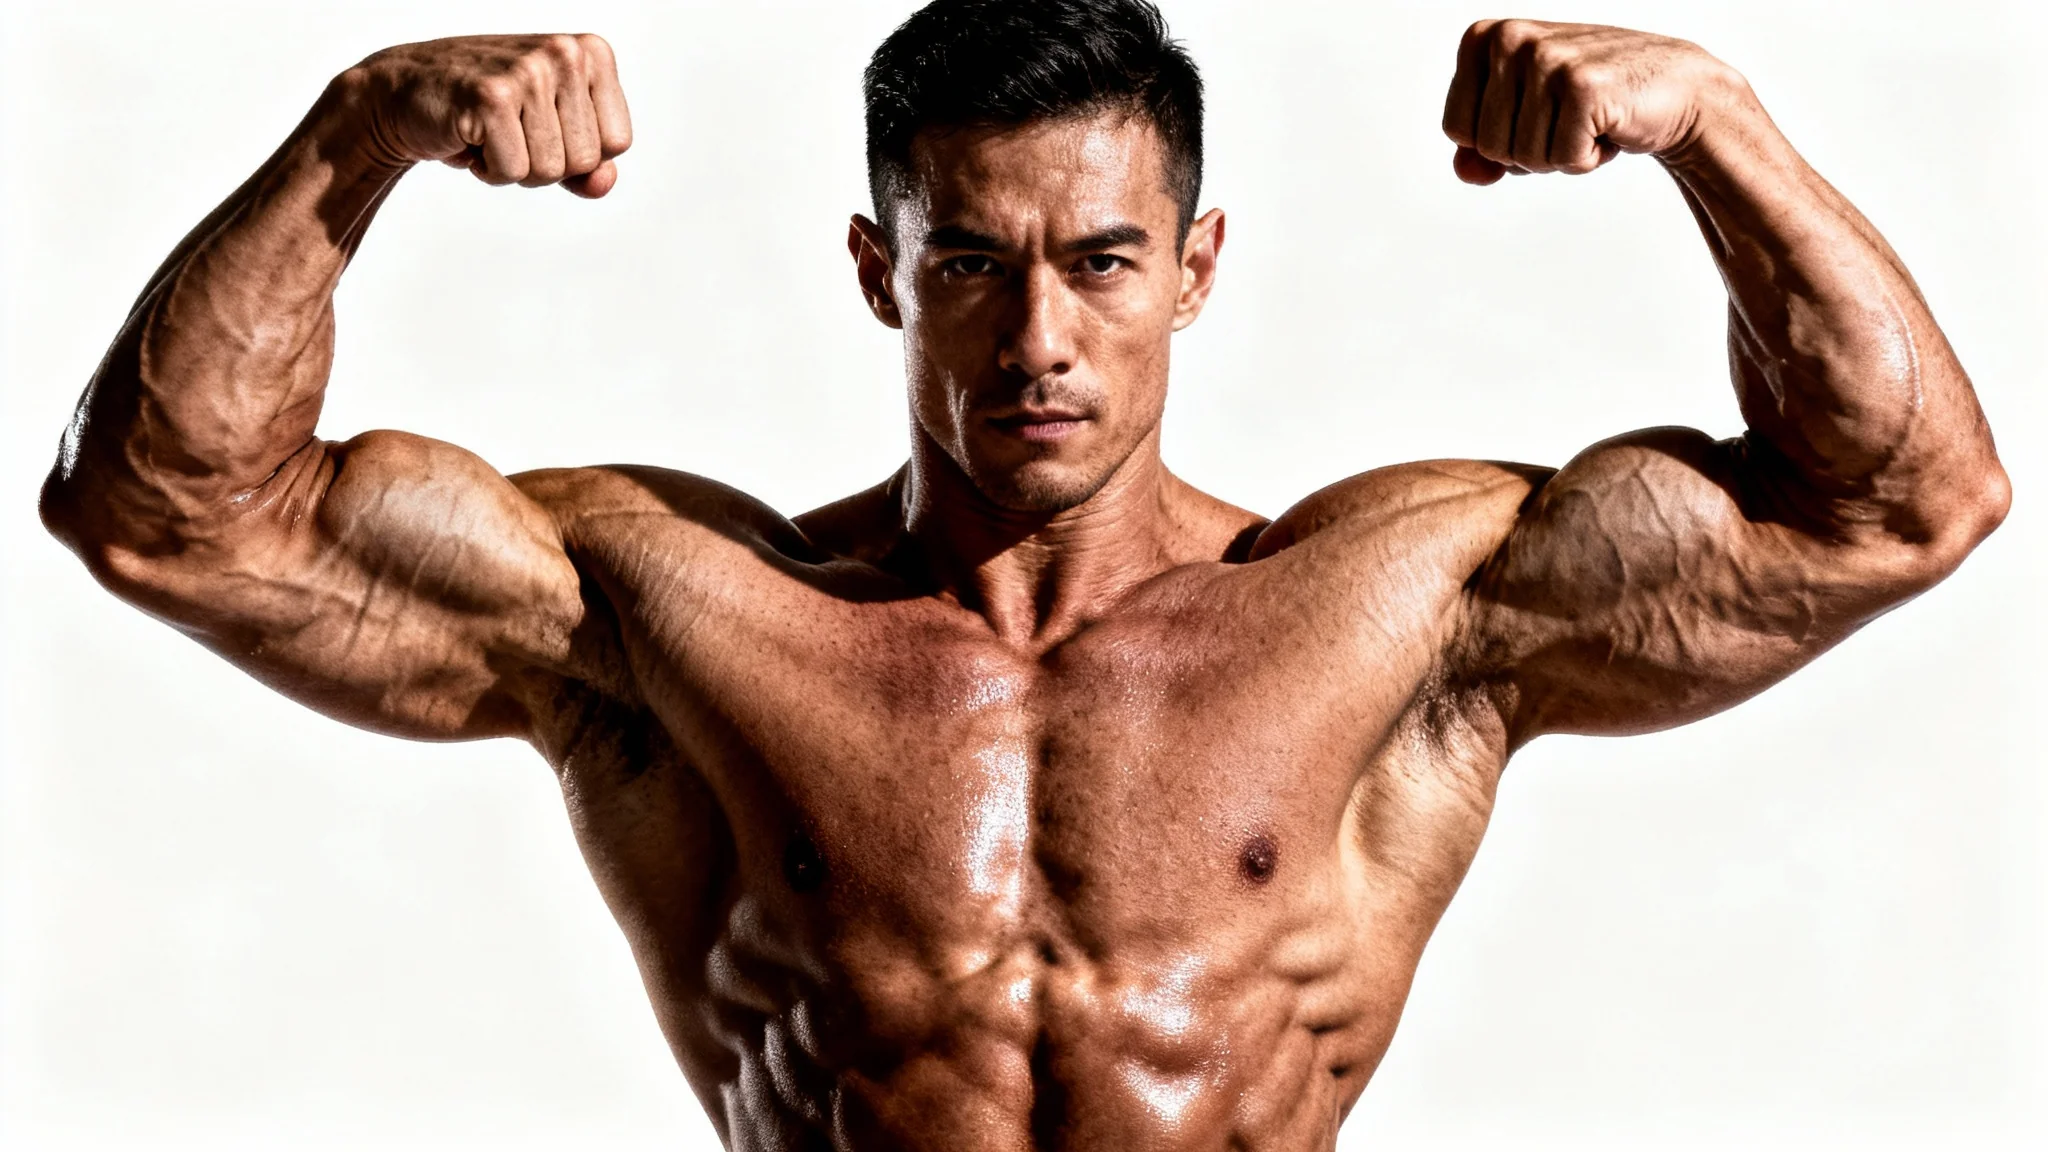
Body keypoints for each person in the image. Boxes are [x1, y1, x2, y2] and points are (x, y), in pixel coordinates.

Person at [36, 0, 2009, 1145]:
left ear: (1198, 270)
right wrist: (354, 136)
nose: (1037, 339)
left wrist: (1718, 128)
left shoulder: (1405, 608)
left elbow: (1901, 502)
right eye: (969, 264)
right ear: (880, 273)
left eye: (1101, 262)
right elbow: (165, 512)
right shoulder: (672, 610)